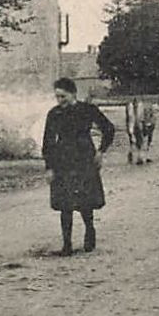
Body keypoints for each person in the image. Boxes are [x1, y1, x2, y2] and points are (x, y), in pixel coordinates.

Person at [42, 77, 116, 256]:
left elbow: (109, 129)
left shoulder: (87, 110)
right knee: (64, 204)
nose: (60, 101)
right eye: (57, 97)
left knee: (85, 200)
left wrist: (101, 151)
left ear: (73, 93)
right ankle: (66, 244)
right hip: (63, 160)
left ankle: (89, 230)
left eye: (63, 96)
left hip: (84, 157)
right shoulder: (54, 114)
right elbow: (48, 142)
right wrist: (49, 167)